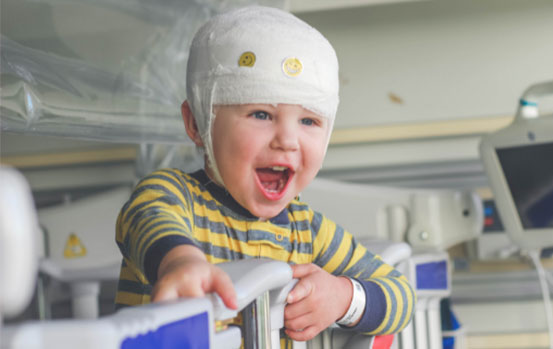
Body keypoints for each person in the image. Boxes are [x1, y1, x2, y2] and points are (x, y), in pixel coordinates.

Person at [114, 5, 414, 343]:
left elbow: (402, 294)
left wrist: (343, 298)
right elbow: (148, 218)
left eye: (309, 121)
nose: (287, 140)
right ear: (197, 124)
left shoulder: (307, 232)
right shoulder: (173, 195)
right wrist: (178, 262)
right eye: (260, 114)